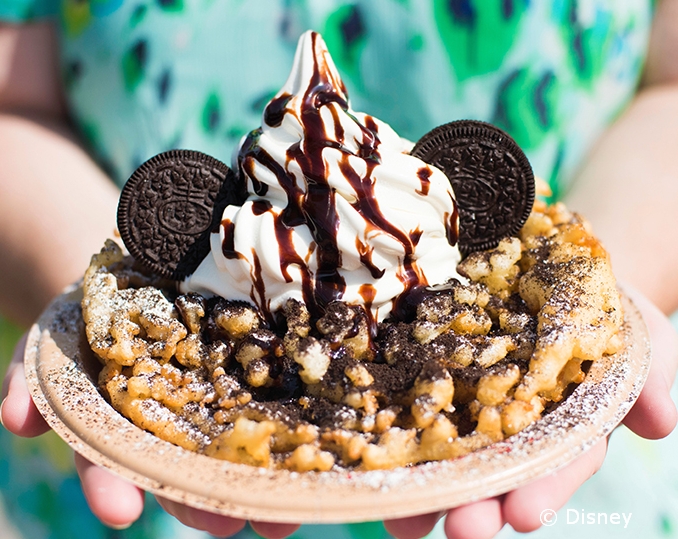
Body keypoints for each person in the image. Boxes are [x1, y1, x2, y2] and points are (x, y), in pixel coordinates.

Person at [1, 1, 678, 538]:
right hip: (131, 504)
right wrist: (86, 294)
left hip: (584, 505)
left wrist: (614, 274)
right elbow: (13, 103)